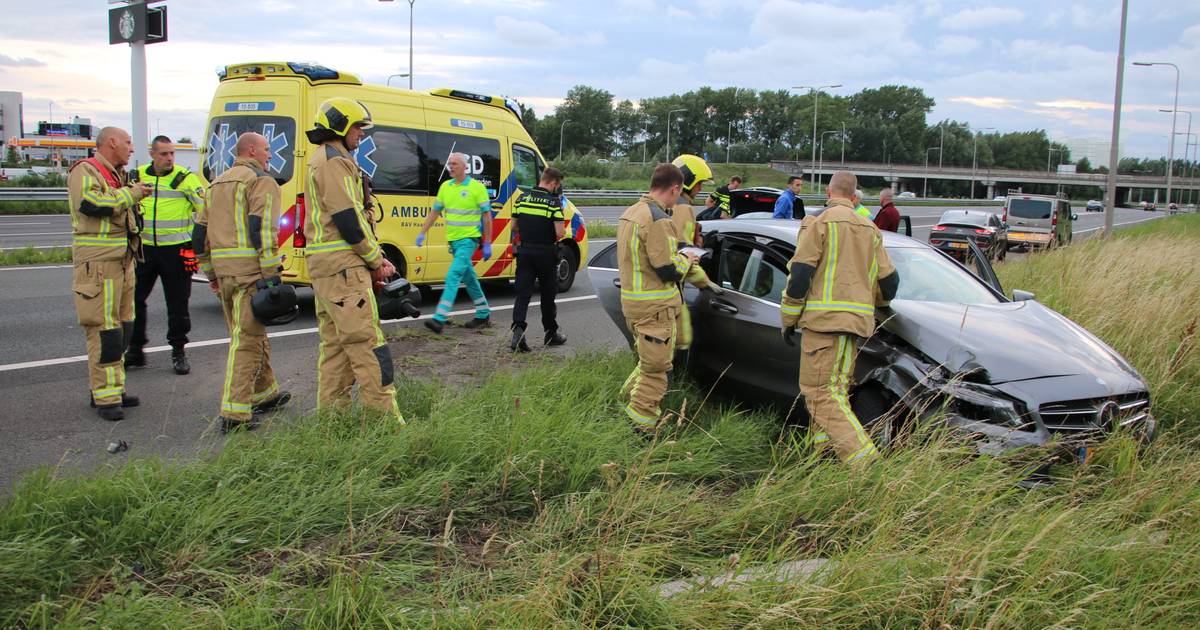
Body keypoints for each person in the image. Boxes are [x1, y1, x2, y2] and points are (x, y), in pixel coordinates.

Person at [780, 170, 900, 466]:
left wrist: (789, 318)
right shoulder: (869, 229)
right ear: (855, 196)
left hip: (824, 325)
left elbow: (800, 276)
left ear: (828, 193)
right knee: (835, 395)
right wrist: (867, 303)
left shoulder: (818, 223)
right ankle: (821, 458)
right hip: (855, 328)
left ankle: (866, 465)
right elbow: (890, 284)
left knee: (820, 395)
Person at [304, 98, 403, 423]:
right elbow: (348, 218)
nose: (361, 133)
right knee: (369, 347)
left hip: (328, 268)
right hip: (344, 268)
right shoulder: (335, 161)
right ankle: (387, 426)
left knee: (334, 351)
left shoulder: (324, 158)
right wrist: (375, 260)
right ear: (340, 126)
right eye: (357, 127)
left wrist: (376, 256)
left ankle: (332, 425)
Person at [194, 132, 291, 433]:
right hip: (250, 274)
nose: (270, 155)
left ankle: (266, 394)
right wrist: (270, 273)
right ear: (251, 150)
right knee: (247, 342)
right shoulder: (261, 182)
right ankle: (234, 414)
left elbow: (199, 236)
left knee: (250, 334)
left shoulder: (215, 184)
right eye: (266, 149)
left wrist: (210, 273)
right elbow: (261, 228)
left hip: (224, 275)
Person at [67, 126, 150, 421]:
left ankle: (115, 387)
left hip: (122, 262)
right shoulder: (85, 171)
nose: (131, 148)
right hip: (98, 265)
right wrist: (132, 194)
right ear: (111, 142)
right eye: (128, 142)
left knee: (123, 327)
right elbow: (92, 205)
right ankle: (105, 397)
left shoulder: (116, 176)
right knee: (105, 330)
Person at [617, 163, 703, 431]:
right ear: (675, 188)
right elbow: (668, 269)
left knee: (646, 363)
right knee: (656, 373)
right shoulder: (658, 219)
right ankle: (642, 428)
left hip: (633, 304)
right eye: (679, 193)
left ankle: (623, 402)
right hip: (654, 309)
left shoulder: (631, 213)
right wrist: (687, 258)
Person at [126, 135, 206, 375]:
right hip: (144, 250)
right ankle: (135, 349)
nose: (169, 158)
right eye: (164, 154)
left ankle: (179, 351)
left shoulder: (185, 179)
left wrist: (201, 245)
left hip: (176, 250)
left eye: (172, 153)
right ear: (152, 154)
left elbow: (205, 210)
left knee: (178, 304)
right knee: (133, 301)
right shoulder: (137, 177)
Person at [417, 152, 493, 333]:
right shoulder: (445, 187)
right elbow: (435, 212)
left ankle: (439, 318)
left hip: (469, 240)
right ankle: (483, 313)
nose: (451, 166)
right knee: (469, 278)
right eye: (449, 163)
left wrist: (487, 242)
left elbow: (487, 217)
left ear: (465, 167)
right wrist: (422, 232)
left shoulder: (477, 188)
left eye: (455, 163)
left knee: (452, 276)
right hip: (454, 243)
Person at [509, 167, 569, 352]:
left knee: (523, 294)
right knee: (547, 295)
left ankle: (518, 332)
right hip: (545, 253)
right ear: (553, 183)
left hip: (525, 252)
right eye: (556, 186)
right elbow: (560, 232)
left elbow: (514, 226)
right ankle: (551, 333)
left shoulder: (522, 198)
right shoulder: (553, 203)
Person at [669, 154, 722, 351]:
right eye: (699, 183)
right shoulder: (683, 208)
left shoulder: (668, 205)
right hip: (672, 286)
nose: (701, 189)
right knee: (674, 345)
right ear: (688, 180)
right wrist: (704, 281)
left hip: (665, 287)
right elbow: (683, 252)